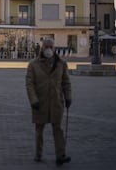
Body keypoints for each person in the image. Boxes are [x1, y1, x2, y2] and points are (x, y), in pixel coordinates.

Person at [25, 37, 72, 166]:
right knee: (39, 130)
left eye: (51, 47)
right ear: (42, 48)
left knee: (58, 130)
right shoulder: (34, 65)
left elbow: (66, 82)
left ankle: (60, 155)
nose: (49, 50)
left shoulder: (61, 64)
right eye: (46, 47)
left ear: (55, 48)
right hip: (40, 103)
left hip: (56, 102)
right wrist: (33, 100)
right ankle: (38, 153)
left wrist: (68, 97)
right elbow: (29, 84)